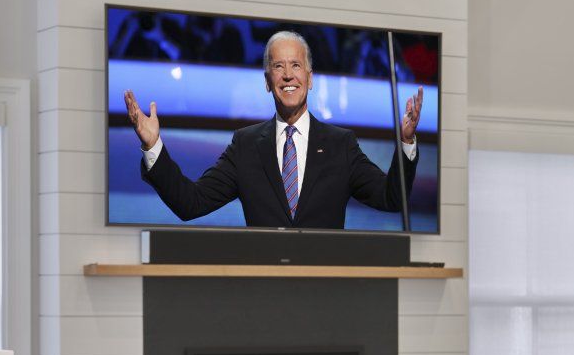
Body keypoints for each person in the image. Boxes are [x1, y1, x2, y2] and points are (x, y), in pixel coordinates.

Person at [125, 31, 424, 229]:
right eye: (278, 67)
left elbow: (391, 198)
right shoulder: (246, 145)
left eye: (296, 65)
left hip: (327, 294)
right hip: (263, 297)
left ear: (309, 78)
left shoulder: (340, 144)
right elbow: (190, 203)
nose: (288, 75)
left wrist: (407, 142)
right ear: (267, 80)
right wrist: (153, 147)